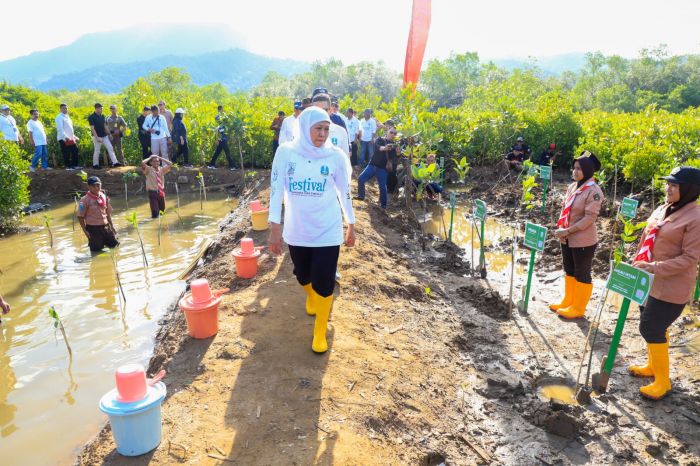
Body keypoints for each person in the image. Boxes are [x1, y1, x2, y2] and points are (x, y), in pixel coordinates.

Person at [268, 106, 355, 353]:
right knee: (302, 274)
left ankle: (319, 333)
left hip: (328, 229)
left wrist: (351, 224)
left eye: (326, 129)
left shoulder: (336, 156)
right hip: (298, 230)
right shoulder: (286, 153)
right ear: (305, 128)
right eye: (318, 128)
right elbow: (276, 192)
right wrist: (275, 228)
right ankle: (311, 295)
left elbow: (345, 193)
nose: (323, 134)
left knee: (325, 280)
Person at [628, 166, 700, 400]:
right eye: (668, 183)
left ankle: (663, 381)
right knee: (653, 326)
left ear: (689, 189)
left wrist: (655, 267)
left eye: (675, 185)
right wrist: (637, 260)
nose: (668, 188)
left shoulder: (695, 217)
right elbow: (647, 237)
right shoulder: (664, 208)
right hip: (648, 280)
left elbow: (690, 258)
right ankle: (652, 366)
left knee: (651, 327)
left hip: (671, 286)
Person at [549, 151, 604, 319]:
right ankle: (568, 301)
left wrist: (567, 230)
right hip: (566, 237)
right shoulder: (573, 187)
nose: (575, 171)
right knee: (569, 269)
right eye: (574, 168)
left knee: (582, 273)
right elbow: (566, 209)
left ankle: (578, 308)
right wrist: (561, 227)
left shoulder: (594, 191)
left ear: (587, 170)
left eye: (579, 169)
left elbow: (589, 218)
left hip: (582, 240)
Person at [355, 127, 401, 209]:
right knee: (361, 179)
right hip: (372, 165)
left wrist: (398, 153)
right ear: (387, 132)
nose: (393, 134)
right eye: (391, 132)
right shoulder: (380, 139)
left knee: (383, 188)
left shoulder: (395, 145)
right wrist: (384, 148)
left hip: (383, 169)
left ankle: (383, 206)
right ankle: (361, 196)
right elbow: (376, 147)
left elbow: (395, 159)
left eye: (395, 133)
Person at [77, 176, 119, 252]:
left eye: (98, 185)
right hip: (93, 229)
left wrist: (112, 226)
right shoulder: (84, 200)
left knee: (115, 245)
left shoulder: (103, 196)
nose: (96, 188)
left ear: (101, 185)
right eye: (93, 186)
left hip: (105, 227)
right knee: (96, 252)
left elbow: (107, 212)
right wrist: (85, 230)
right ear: (88, 186)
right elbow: (80, 216)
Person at [312, 93, 350, 157]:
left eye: (324, 110)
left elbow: (346, 160)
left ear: (330, 110)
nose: (320, 113)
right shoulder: (305, 131)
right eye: (317, 110)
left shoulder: (341, 132)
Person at [88, 103, 121, 169]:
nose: (102, 110)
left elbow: (105, 126)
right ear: (96, 108)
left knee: (110, 148)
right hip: (97, 136)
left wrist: (109, 134)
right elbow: (92, 128)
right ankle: (95, 165)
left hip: (104, 135)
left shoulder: (102, 116)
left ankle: (115, 163)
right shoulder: (91, 117)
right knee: (97, 150)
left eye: (102, 108)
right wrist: (97, 138)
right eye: (101, 109)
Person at [207, 105, 237, 169]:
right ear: (219, 110)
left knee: (217, 152)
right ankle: (233, 166)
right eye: (222, 109)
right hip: (222, 139)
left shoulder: (224, 118)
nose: (223, 110)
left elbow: (227, 126)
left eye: (223, 109)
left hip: (223, 139)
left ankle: (211, 165)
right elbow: (217, 129)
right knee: (227, 153)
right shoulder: (218, 118)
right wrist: (217, 139)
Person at [55, 104, 80, 170]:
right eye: (63, 108)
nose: (65, 109)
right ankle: (68, 167)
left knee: (75, 151)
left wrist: (74, 136)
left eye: (66, 108)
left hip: (71, 138)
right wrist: (65, 136)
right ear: (60, 109)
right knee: (66, 153)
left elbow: (70, 128)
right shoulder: (59, 117)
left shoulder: (67, 117)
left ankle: (75, 165)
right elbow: (60, 128)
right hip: (63, 138)